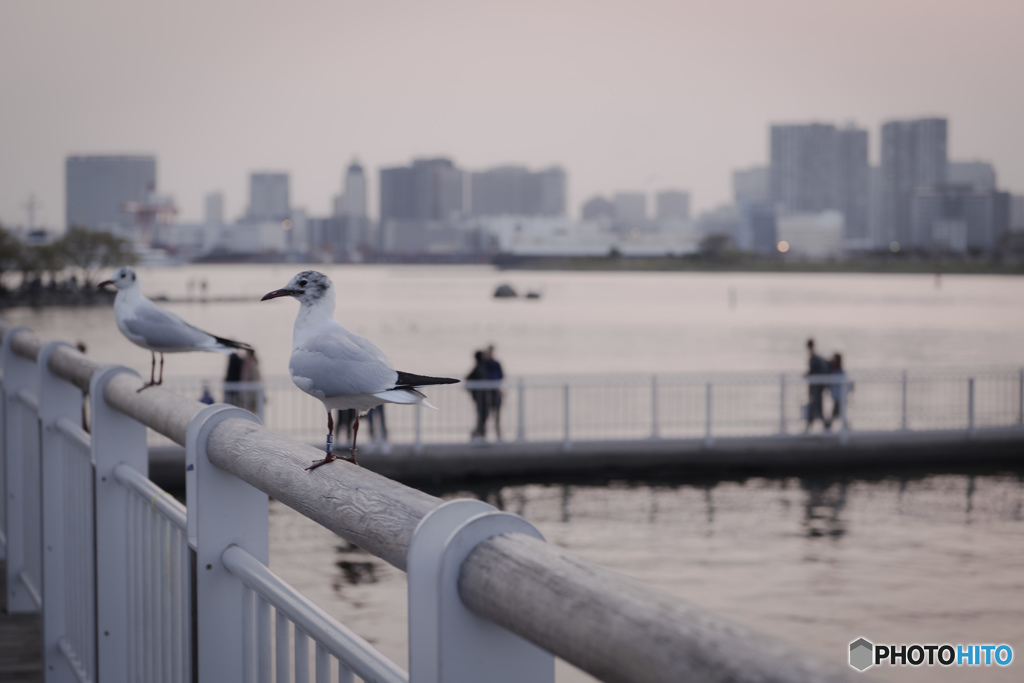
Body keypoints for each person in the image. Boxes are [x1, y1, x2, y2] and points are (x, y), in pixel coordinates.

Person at [804, 338, 829, 432]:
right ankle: (823, 426)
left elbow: (814, 371)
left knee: (816, 406)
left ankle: (812, 426)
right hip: (816, 387)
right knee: (817, 406)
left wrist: (809, 374)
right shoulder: (815, 356)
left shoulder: (814, 357)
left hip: (816, 387)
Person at [483, 344, 505, 441]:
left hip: (495, 392)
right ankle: (484, 436)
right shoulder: (484, 365)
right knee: (485, 415)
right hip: (487, 393)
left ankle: (498, 436)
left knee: (497, 416)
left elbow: (500, 376)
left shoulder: (495, 364)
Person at [467, 350, 489, 442]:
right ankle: (477, 433)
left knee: (484, 415)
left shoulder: (482, 367)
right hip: (480, 397)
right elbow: (468, 379)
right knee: (482, 415)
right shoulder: (478, 368)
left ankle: (480, 433)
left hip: (484, 396)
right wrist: (475, 392)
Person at [824, 353, 851, 431]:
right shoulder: (833, 371)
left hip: (840, 397)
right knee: (839, 414)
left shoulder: (840, 372)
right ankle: (844, 429)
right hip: (836, 397)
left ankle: (828, 428)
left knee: (837, 414)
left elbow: (847, 385)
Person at [239, 348, 263, 416]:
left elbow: (256, 378)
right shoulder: (248, 364)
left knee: (251, 410)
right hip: (249, 391)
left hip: (252, 392)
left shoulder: (252, 364)